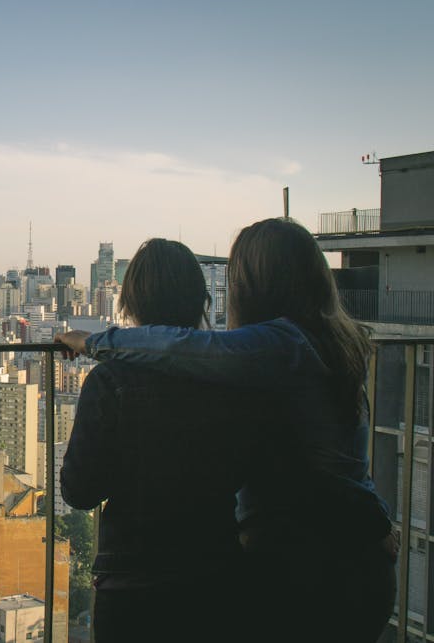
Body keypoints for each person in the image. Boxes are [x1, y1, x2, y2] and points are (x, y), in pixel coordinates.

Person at [57, 218, 396, 643]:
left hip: (306, 564)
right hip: (348, 556)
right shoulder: (328, 342)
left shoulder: (280, 346)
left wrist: (93, 343)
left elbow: (186, 348)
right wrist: (378, 520)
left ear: (255, 285)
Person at [59, 238, 273, 643]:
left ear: (131, 303)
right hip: (217, 575)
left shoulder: (110, 382)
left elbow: (79, 490)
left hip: (132, 585)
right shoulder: (234, 379)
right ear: (200, 301)